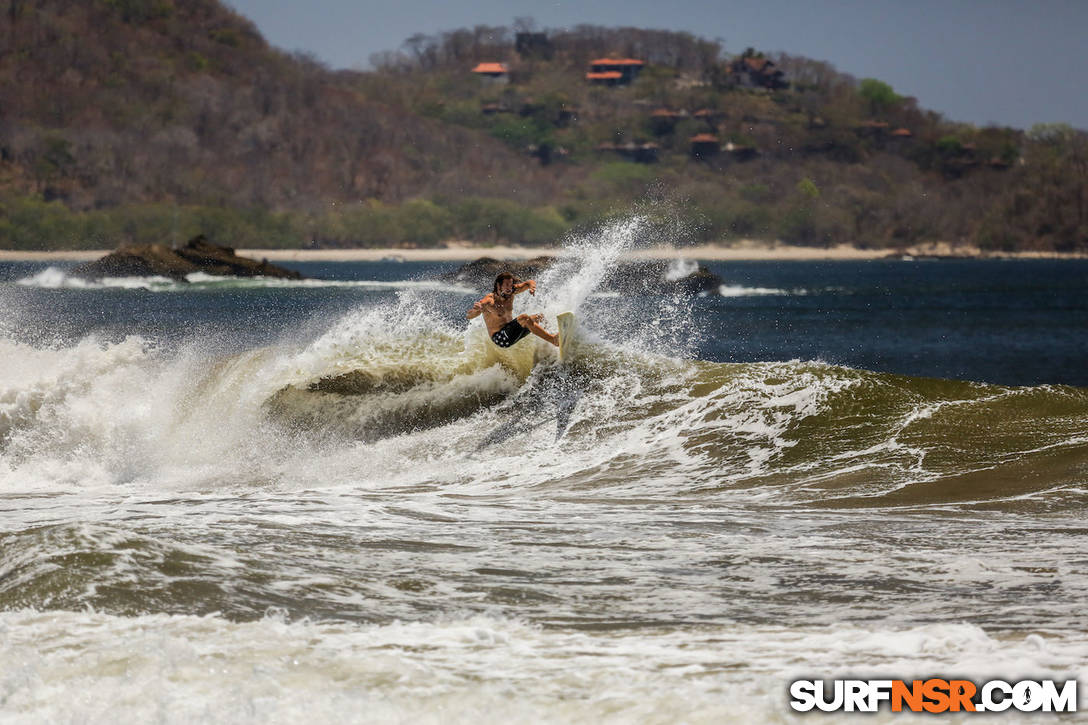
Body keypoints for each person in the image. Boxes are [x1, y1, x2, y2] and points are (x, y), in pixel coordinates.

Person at [467, 272, 558, 348]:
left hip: (511, 331)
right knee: (524, 318)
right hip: (500, 338)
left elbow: (529, 282)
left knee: (539, 317)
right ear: (499, 285)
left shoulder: (511, 292)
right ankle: (552, 339)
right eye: (506, 285)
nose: (509, 288)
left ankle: (554, 338)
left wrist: (532, 287)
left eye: (511, 285)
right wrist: (476, 310)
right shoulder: (489, 301)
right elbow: (469, 316)